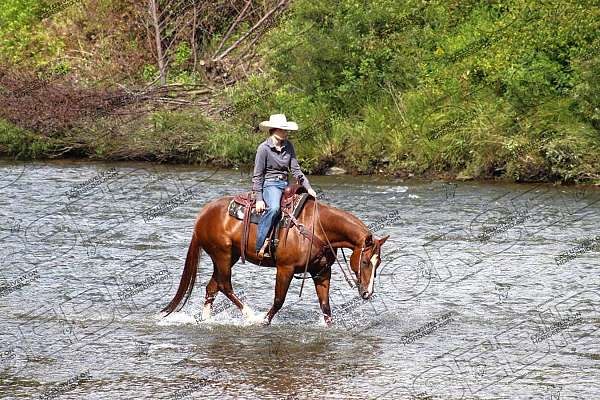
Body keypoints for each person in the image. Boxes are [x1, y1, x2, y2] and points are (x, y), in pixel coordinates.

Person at [252, 114, 317, 259]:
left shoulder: (289, 146)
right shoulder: (263, 149)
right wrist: (259, 199)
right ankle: (259, 244)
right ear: (274, 130)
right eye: (283, 129)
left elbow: (296, 170)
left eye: (286, 130)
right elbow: (257, 175)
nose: (286, 132)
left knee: (303, 206)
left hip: (286, 184)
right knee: (274, 208)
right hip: (270, 183)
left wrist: (308, 187)